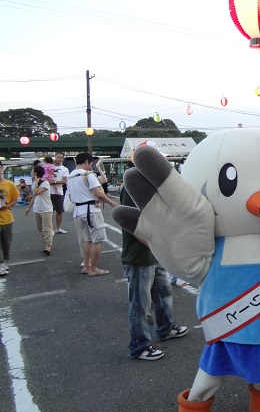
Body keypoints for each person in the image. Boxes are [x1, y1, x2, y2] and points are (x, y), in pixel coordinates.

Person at [120, 175, 188, 360]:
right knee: (141, 304)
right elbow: (133, 223)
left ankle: (166, 327)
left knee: (163, 291)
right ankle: (139, 346)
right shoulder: (132, 186)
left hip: (154, 254)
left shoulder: (149, 184)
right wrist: (157, 245)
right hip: (139, 256)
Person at [66, 152, 118, 277]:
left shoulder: (70, 177)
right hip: (91, 210)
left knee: (88, 240)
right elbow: (98, 193)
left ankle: (86, 266)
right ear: (86, 162)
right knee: (97, 240)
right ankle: (94, 269)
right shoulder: (88, 174)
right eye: (90, 163)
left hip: (78, 211)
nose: (90, 166)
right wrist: (111, 203)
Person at [25, 166, 54, 255]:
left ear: (36, 173)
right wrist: (28, 207)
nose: (32, 172)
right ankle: (47, 242)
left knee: (47, 228)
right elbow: (34, 196)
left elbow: (36, 192)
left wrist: (37, 183)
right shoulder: (35, 183)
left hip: (46, 209)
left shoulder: (45, 183)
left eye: (33, 171)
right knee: (40, 228)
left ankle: (48, 246)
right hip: (37, 209)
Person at [0, 160, 19, 276]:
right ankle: (1, 263)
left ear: (1, 168)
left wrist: (7, 206)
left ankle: (4, 261)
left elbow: (15, 199)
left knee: (6, 242)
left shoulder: (9, 184)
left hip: (6, 218)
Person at [49, 152, 69, 234]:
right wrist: (51, 182)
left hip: (59, 193)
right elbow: (46, 178)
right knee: (49, 212)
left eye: (61, 157)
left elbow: (65, 181)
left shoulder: (65, 169)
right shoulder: (50, 167)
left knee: (59, 211)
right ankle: (50, 229)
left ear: (63, 159)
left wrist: (55, 182)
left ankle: (58, 228)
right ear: (55, 157)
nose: (59, 159)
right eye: (58, 157)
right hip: (49, 192)